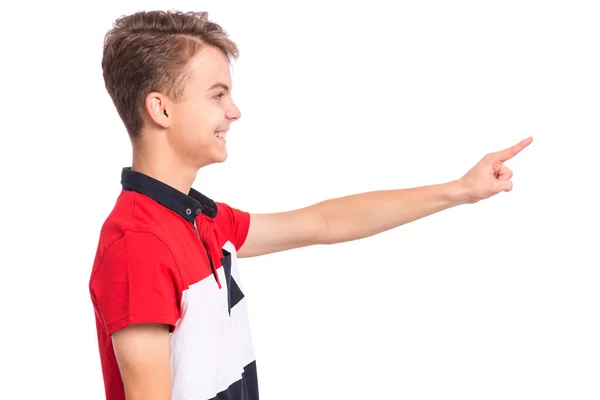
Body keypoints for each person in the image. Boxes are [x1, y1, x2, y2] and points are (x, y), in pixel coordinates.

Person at [89, 9, 533, 400]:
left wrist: (460, 189)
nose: (234, 111)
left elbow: (323, 222)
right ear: (160, 110)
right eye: (217, 94)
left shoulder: (199, 219)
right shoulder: (139, 244)